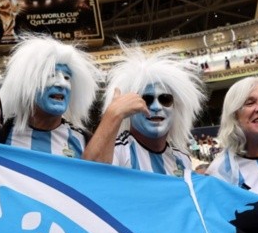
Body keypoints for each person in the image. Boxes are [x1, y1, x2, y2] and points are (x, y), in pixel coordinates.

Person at [83, 46, 205, 177]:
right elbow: (90, 177)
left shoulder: (182, 159)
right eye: (146, 99)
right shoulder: (118, 152)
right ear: (128, 108)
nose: (157, 107)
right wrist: (113, 114)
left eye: (165, 99)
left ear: (176, 108)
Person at [0, 35, 100, 158]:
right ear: (28, 84)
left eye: (67, 77)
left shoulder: (84, 140)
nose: (62, 84)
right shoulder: (1, 136)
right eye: (51, 75)